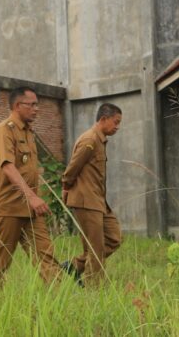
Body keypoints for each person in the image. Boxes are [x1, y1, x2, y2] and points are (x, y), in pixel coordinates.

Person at [0, 87, 59, 284]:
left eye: (37, 104)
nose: (36, 109)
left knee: (46, 255)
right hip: (7, 207)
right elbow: (8, 167)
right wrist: (32, 197)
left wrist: (33, 198)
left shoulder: (28, 132)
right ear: (18, 106)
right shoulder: (4, 130)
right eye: (32, 104)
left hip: (30, 210)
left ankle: (62, 302)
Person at [61, 103, 123, 286]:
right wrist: (66, 187)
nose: (117, 127)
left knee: (115, 237)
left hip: (98, 201)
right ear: (103, 119)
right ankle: (92, 288)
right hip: (86, 201)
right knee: (95, 248)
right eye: (116, 122)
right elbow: (72, 168)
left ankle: (75, 266)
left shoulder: (99, 140)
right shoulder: (89, 140)